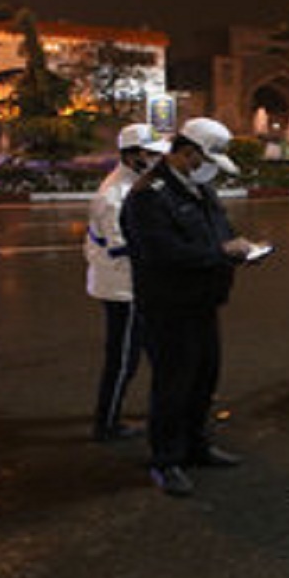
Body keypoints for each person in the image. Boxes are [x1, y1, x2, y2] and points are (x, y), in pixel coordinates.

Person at [120, 117, 261, 497]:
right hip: (168, 307)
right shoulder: (149, 195)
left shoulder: (199, 188)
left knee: (203, 378)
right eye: (206, 161)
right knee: (172, 385)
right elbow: (161, 254)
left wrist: (239, 247)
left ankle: (197, 445)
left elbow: (220, 230)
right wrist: (220, 252)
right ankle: (166, 461)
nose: (211, 171)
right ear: (185, 153)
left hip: (202, 302)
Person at [85, 123, 170, 442]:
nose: (155, 159)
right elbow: (124, 247)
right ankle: (105, 424)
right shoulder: (114, 196)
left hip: (135, 285)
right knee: (122, 359)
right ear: (131, 155)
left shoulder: (136, 183)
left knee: (149, 352)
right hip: (122, 288)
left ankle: (132, 413)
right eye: (150, 154)